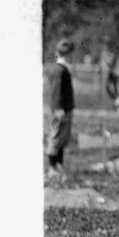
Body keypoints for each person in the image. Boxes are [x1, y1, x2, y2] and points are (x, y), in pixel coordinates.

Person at [44, 38, 76, 179]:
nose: (70, 56)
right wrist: (58, 108)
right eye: (68, 54)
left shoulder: (62, 68)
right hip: (60, 110)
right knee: (55, 137)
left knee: (62, 138)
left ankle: (58, 165)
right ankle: (52, 167)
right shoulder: (59, 69)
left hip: (65, 108)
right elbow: (56, 91)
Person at [98, 37, 119, 102]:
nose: (106, 45)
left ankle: (115, 97)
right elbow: (105, 62)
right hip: (105, 71)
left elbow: (111, 61)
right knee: (105, 85)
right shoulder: (104, 52)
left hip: (111, 71)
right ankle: (105, 98)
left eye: (108, 43)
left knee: (114, 85)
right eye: (105, 43)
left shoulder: (112, 52)